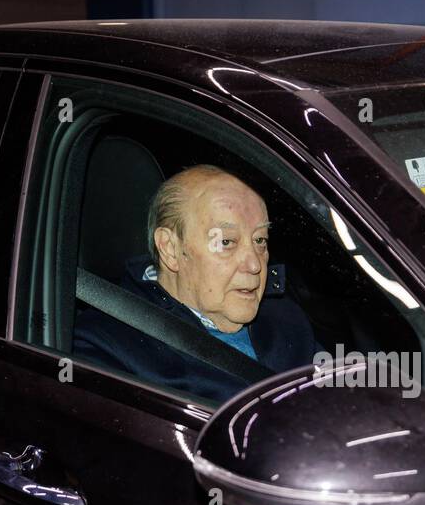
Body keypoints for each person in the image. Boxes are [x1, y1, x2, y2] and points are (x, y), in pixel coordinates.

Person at [72, 164, 319, 401]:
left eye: (260, 240)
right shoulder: (106, 345)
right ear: (170, 249)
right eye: (226, 242)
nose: (255, 264)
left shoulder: (287, 320)